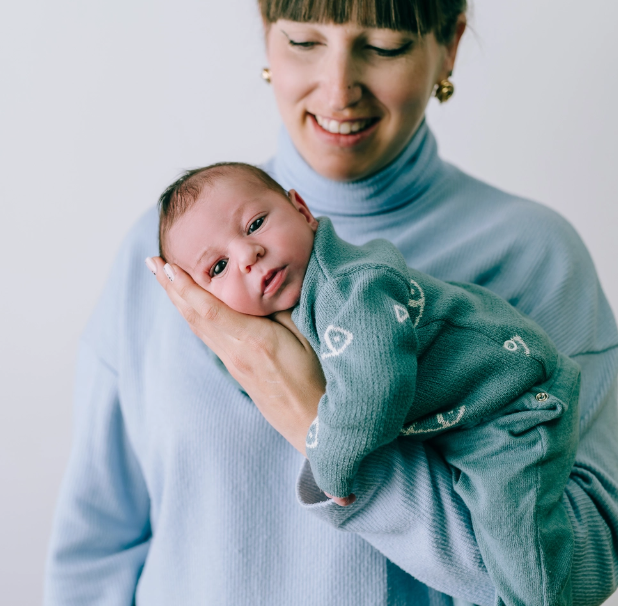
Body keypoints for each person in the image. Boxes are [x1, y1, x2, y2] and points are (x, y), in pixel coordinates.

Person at [44, 1, 618, 605]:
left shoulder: (533, 254)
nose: (339, 90)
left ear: (448, 45)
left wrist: (313, 421)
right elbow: (96, 550)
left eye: (385, 45)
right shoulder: (165, 261)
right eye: (302, 40)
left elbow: (571, 577)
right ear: (267, 37)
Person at [156, 160, 580, 604]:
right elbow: (260, 376)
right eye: (218, 267)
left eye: (256, 224)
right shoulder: (295, 307)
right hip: (463, 423)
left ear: (301, 209)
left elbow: (375, 389)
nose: (247, 255)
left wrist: (330, 464)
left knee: (519, 544)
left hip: (514, 408)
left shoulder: (351, 285)